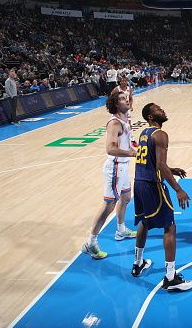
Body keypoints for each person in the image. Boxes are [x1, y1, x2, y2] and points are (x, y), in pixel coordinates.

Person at [130, 102, 192, 291]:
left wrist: (171, 169)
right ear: (150, 117)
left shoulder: (145, 133)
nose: (163, 110)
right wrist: (178, 189)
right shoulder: (160, 134)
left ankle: (138, 263)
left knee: (144, 222)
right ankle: (170, 277)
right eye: (158, 109)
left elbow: (152, 161)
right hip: (152, 185)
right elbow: (159, 165)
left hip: (139, 182)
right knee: (170, 227)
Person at [81, 92, 138, 260]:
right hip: (115, 167)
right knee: (108, 206)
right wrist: (132, 153)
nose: (126, 100)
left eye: (126, 98)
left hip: (123, 166)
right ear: (115, 104)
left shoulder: (125, 119)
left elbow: (128, 138)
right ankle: (90, 243)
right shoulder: (114, 124)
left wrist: (135, 145)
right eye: (122, 99)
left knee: (126, 197)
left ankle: (120, 230)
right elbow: (110, 149)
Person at [112, 77, 137, 147]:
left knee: (129, 124)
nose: (123, 82)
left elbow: (131, 98)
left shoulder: (129, 89)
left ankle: (132, 139)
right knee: (117, 125)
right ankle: (115, 140)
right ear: (120, 82)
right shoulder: (117, 89)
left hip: (126, 109)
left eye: (125, 81)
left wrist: (131, 106)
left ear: (127, 82)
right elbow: (111, 98)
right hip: (118, 109)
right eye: (122, 81)